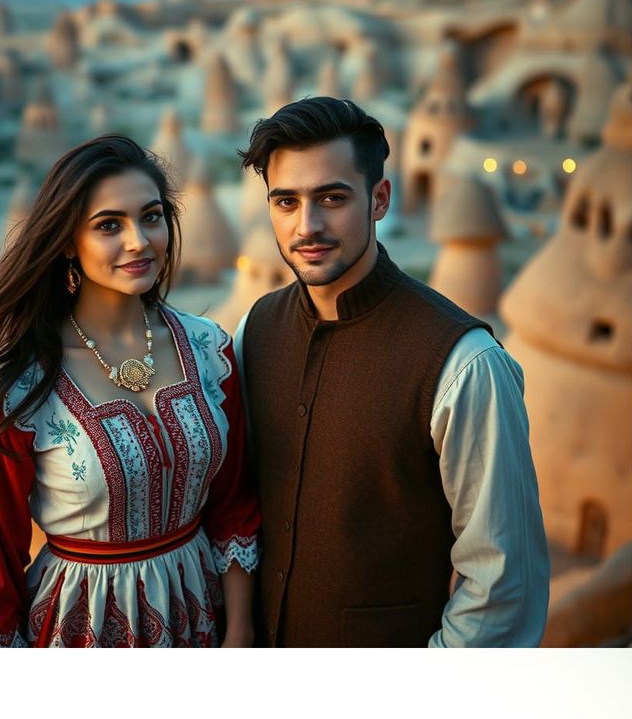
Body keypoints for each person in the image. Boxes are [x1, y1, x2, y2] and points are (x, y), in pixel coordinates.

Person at [235, 96, 549, 647]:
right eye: (286, 201)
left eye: (332, 198)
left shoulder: (464, 364)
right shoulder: (255, 330)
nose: (306, 225)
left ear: (379, 199)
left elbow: (502, 585)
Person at [0, 136, 260, 648]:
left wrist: (239, 634)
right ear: (68, 240)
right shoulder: (12, 390)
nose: (139, 240)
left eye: (151, 217)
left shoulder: (210, 352)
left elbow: (234, 506)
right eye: (109, 225)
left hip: (206, 619)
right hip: (79, 628)